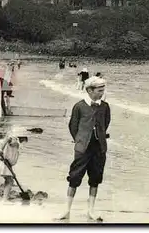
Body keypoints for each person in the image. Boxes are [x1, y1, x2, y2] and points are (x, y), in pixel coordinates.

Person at [58, 76, 111, 222]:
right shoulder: (79, 106)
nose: (101, 93)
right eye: (99, 90)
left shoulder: (105, 106)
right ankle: (66, 210)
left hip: (99, 147)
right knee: (74, 177)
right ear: (89, 90)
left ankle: (91, 211)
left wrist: (98, 138)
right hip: (82, 148)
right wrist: (80, 140)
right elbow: (73, 126)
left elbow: (106, 123)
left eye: (103, 90)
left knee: (95, 178)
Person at [0, 128, 28, 201]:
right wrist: (1, 148)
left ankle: (5, 198)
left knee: (9, 180)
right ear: (21, 137)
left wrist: (11, 171)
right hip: (2, 161)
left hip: (5, 163)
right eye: (24, 139)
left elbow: (10, 158)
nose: (24, 142)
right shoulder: (13, 140)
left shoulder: (16, 143)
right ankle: (5, 199)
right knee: (10, 181)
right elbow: (5, 142)